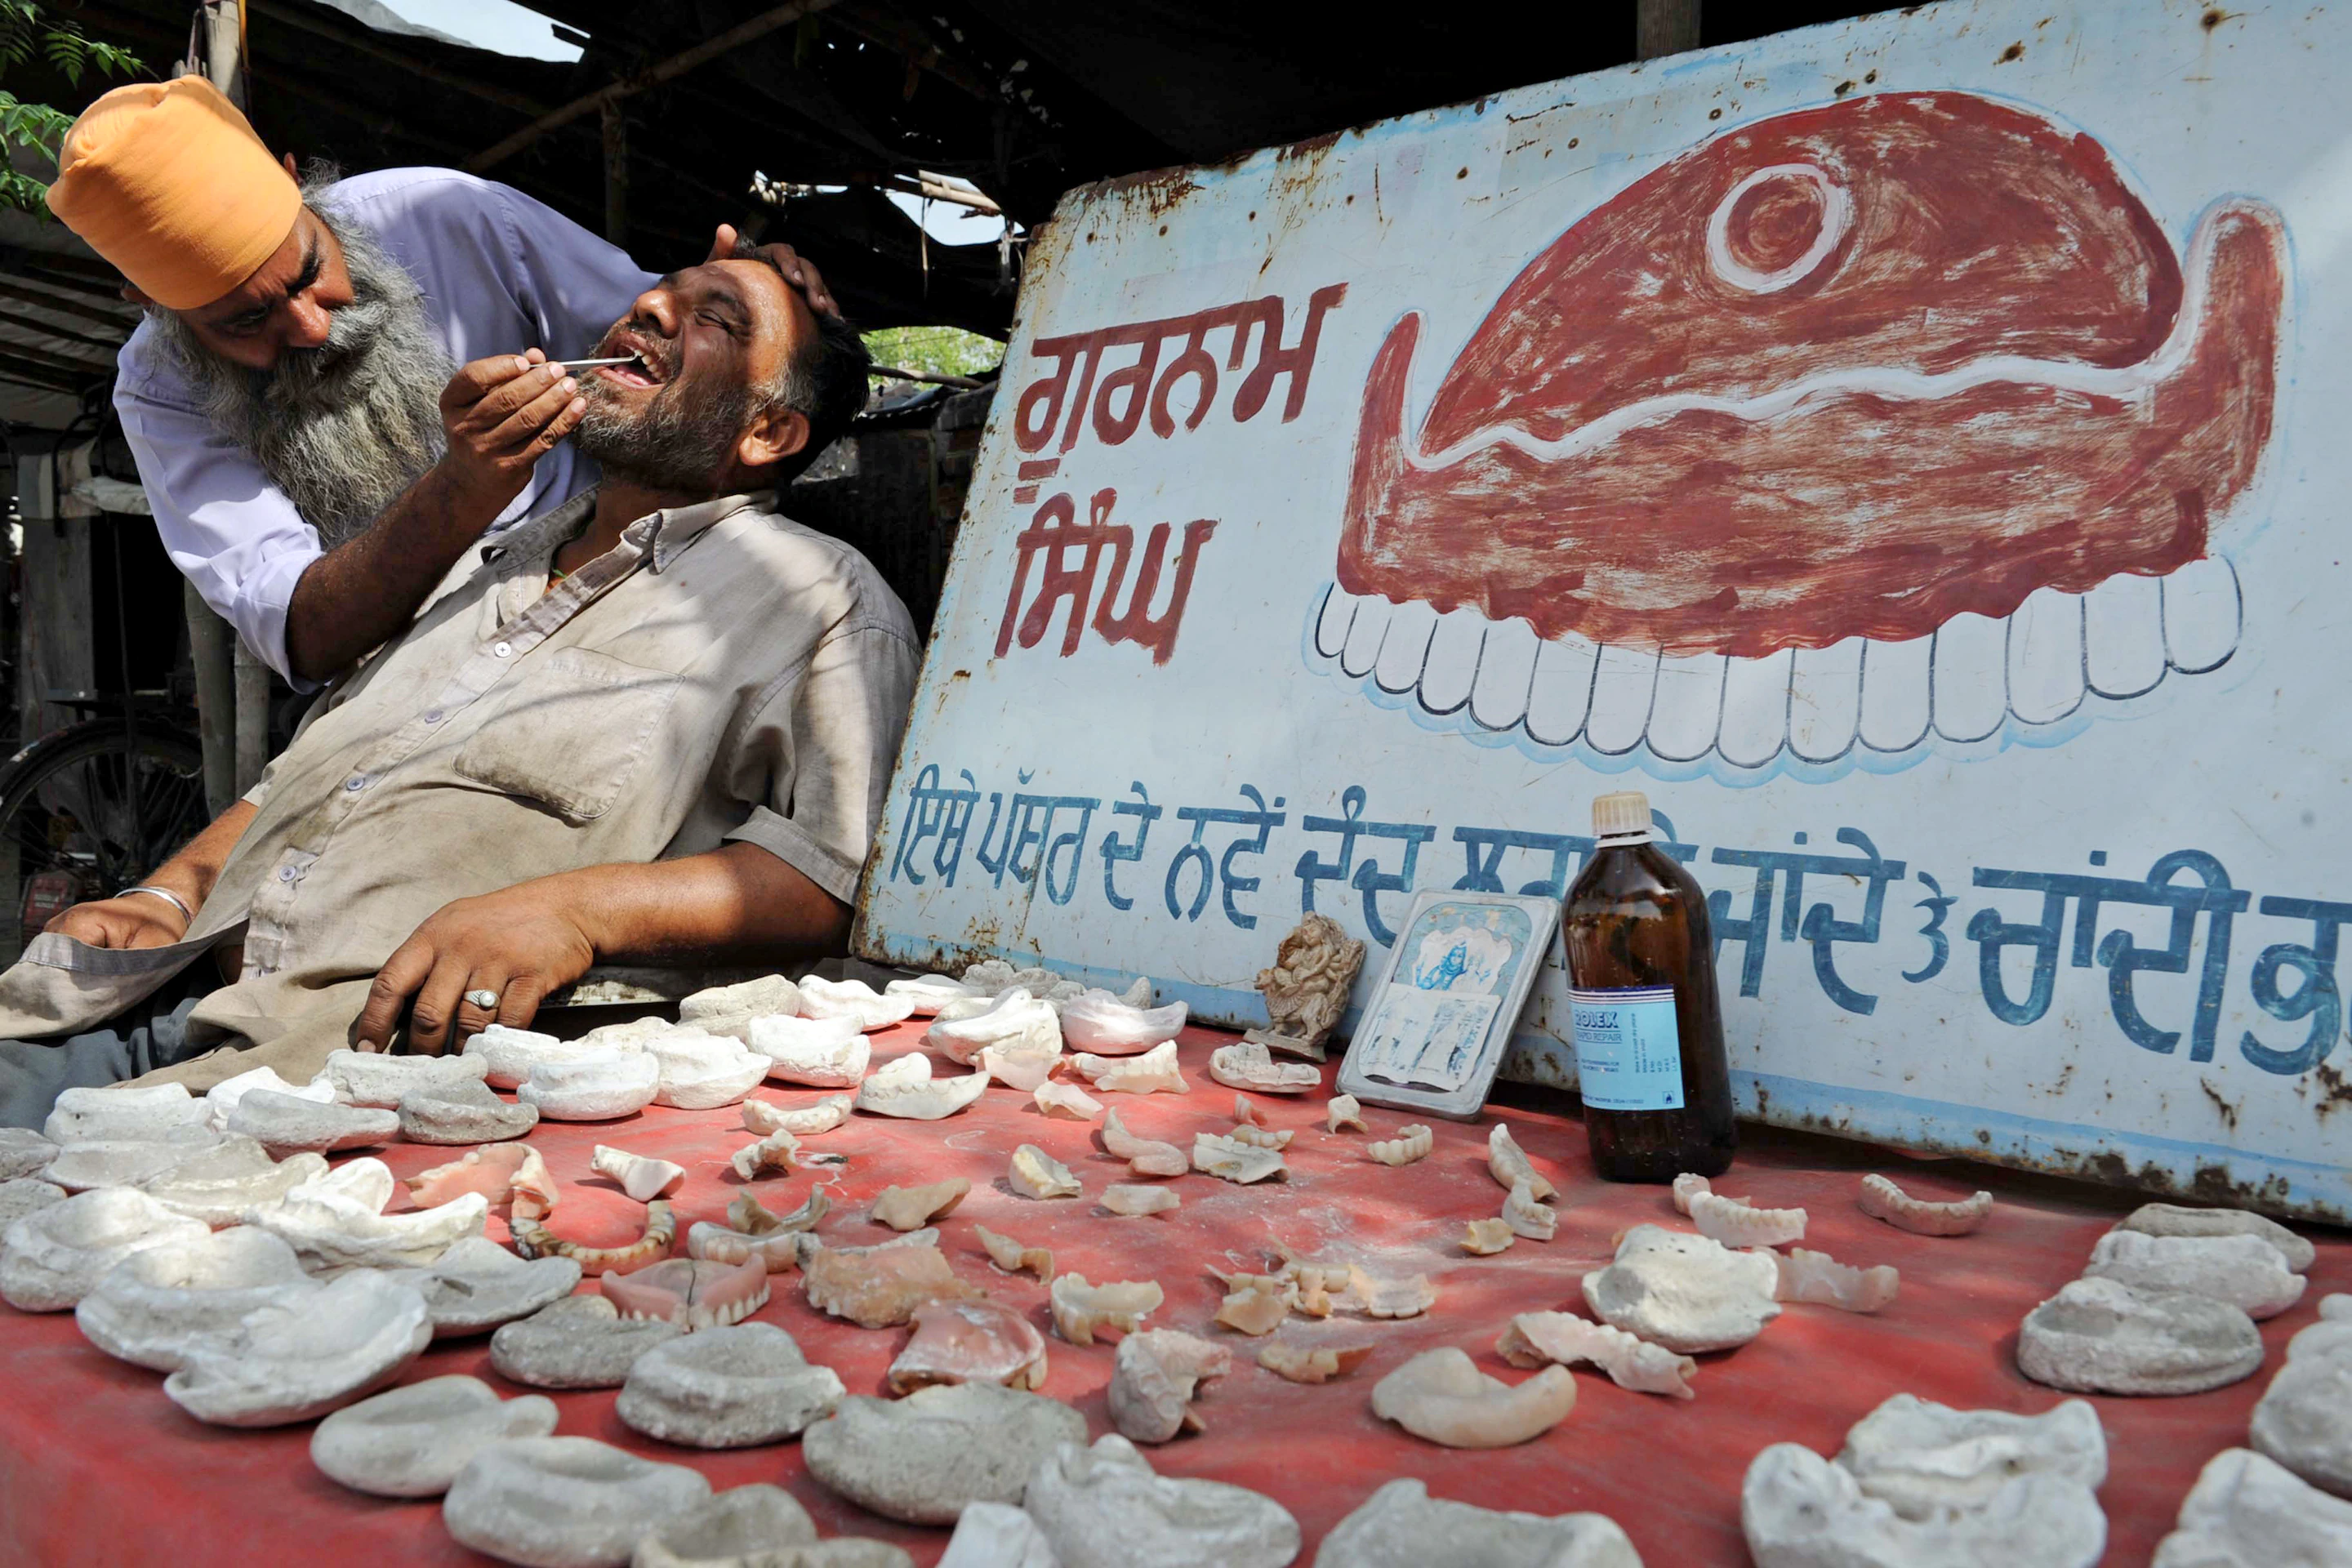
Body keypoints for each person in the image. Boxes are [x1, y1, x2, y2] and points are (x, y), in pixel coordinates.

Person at [0, 246, 915, 1127]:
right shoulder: (483, 565)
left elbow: (829, 876)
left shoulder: (820, 599)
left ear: (768, 432)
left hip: (327, 1071)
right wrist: (166, 895)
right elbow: (311, 780)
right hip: (154, 1005)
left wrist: (576, 910)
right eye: (661, 293)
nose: (650, 308)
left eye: (713, 318)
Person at [48, 75, 837, 684]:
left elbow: (662, 353)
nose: (313, 328)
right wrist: (462, 488)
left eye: (311, 272)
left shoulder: (448, 214)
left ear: (294, 177)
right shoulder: (158, 391)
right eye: (246, 324)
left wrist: (759, 299)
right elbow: (299, 631)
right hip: (397, 681)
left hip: (623, 596)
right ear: (152, 304)